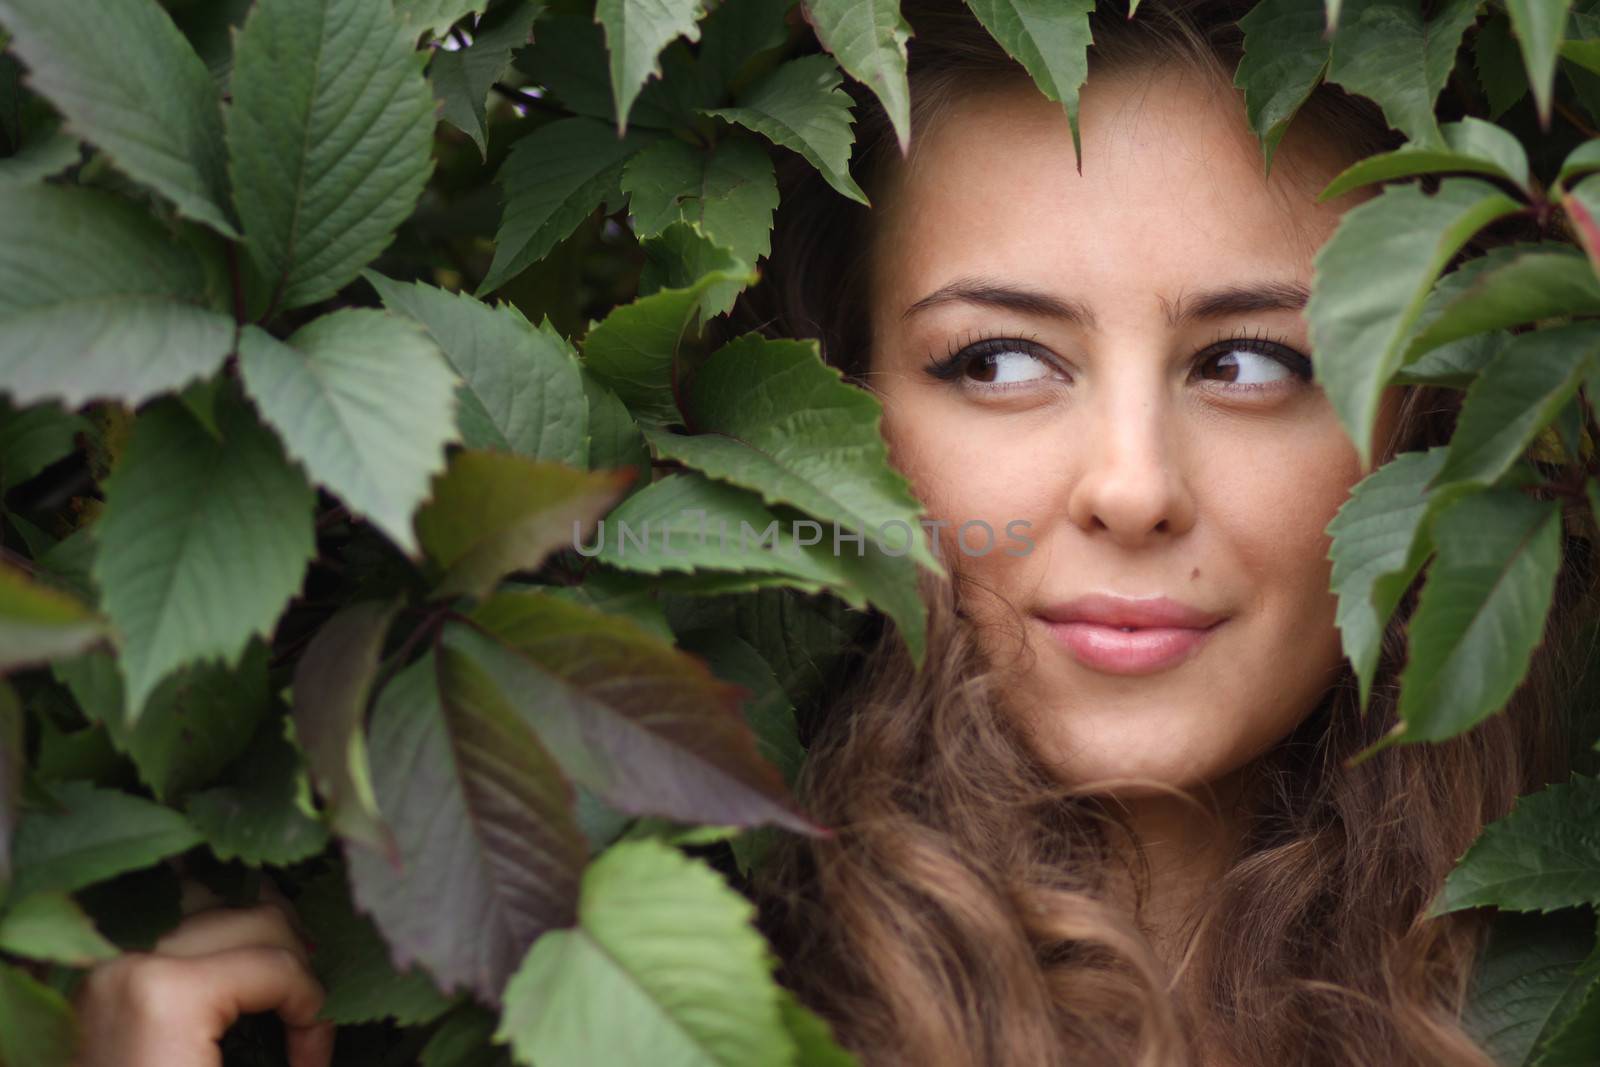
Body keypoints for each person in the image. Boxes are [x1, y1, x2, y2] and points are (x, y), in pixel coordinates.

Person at [66, 1, 1592, 1065]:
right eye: (998, 361)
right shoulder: (594, 978)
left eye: (1254, 362)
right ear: (831, 404)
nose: (1131, 487)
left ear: (1433, 419)